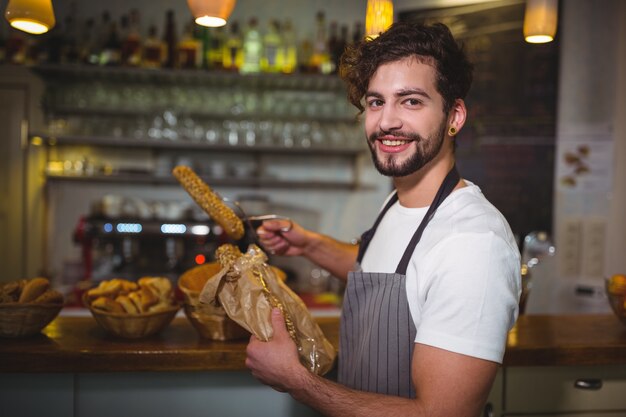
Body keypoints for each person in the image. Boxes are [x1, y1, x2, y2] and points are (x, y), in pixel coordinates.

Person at [245, 21, 521, 417]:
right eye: (376, 102)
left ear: (454, 115)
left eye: (410, 101)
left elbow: (440, 414)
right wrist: (310, 245)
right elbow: (389, 272)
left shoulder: (474, 244)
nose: (386, 121)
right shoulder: (397, 202)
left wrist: (296, 381)